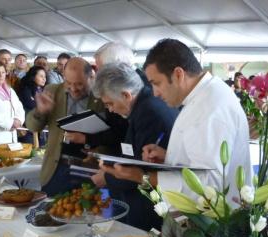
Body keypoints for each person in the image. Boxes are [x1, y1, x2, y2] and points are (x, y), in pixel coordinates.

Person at [101, 39, 251, 203]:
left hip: (212, 219)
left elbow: (209, 185)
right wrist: (169, 157)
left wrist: (143, 177)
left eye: (157, 83)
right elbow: (201, 161)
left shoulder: (210, 108)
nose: (156, 93)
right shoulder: (204, 96)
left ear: (178, 74)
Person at [91, 63, 177, 231]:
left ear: (126, 95)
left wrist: (107, 176)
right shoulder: (144, 105)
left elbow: (142, 168)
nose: (110, 110)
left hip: (151, 206)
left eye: (109, 104)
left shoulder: (148, 112)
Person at [24, 57, 107, 195]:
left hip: (89, 168)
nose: (73, 89)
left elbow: (111, 134)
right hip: (56, 168)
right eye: (68, 83)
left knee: (88, 214)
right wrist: (40, 111)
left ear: (90, 77)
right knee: (50, 212)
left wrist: (98, 151)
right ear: (63, 76)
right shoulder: (52, 91)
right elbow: (32, 127)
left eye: (79, 84)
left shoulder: (101, 97)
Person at [16, 65, 46, 146]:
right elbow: (32, 105)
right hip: (27, 128)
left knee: (41, 153)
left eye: (45, 76)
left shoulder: (41, 90)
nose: (44, 79)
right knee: (30, 153)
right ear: (33, 77)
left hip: (40, 128)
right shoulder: (25, 89)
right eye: (41, 76)